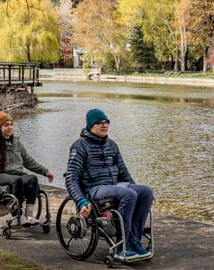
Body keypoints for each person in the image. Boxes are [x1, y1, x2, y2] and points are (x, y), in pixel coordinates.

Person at [65, 108, 154, 261]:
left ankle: (134, 241)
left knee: (145, 192)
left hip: (114, 186)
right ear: (91, 126)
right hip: (94, 189)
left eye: (106, 122)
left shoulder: (111, 145)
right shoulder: (79, 146)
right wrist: (81, 201)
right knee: (129, 194)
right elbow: (71, 178)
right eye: (100, 123)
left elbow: (124, 173)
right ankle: (121, 246)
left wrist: (136, 191)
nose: (104, 125)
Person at [0, 111, 53, 225]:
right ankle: (16, 213)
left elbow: (28, 161)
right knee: (16, 180)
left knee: (32, 179)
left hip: (16, 173)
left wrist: (45, 171)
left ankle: (28, 215)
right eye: (6, 125)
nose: (10, 127)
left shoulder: (16, 142)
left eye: (11, 124)